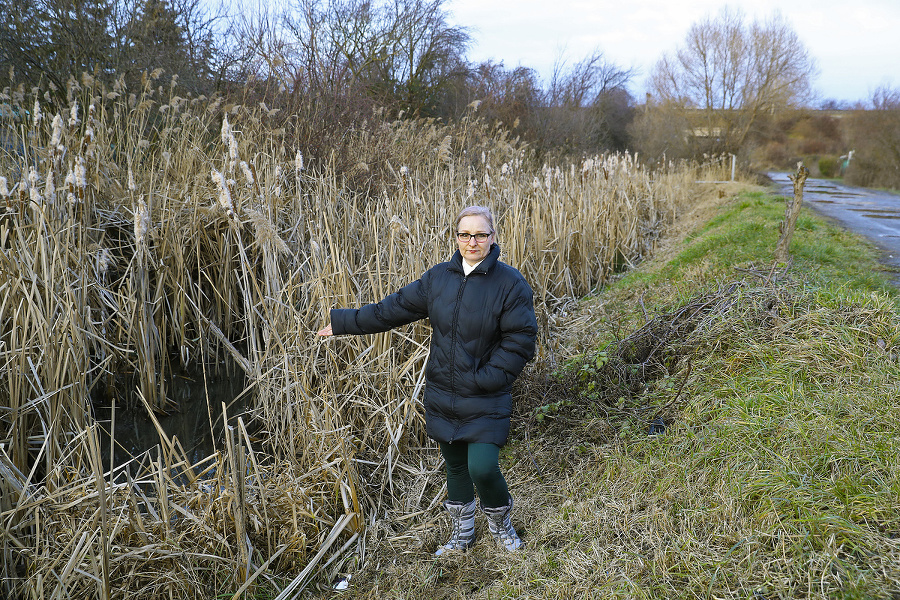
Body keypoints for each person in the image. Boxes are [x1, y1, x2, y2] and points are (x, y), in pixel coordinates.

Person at [317, 205, 538, 554]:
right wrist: (346, 322)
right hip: (443, 393)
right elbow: (392, 309)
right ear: (456, 237)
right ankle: (462, 535)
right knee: (455, 467)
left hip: (485, 394)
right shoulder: (439, 278)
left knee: (481, 467)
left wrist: (488, 378)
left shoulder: (510, 284)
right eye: (465, 234)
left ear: (493, 238)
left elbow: (521, 340)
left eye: (480, 234)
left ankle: (501, 525)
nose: (472, 242)